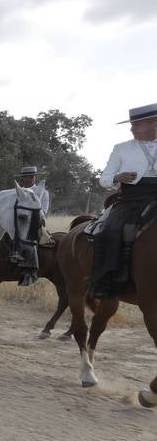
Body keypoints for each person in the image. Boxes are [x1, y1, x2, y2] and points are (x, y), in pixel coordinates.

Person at [89, 103, 157, 299]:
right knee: (109, 231)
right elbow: (104, 179)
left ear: (153, 123)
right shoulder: (121, 148)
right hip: (131, 198)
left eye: (136, 124)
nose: (131, 129)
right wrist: (117, 177)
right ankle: (106, 280)